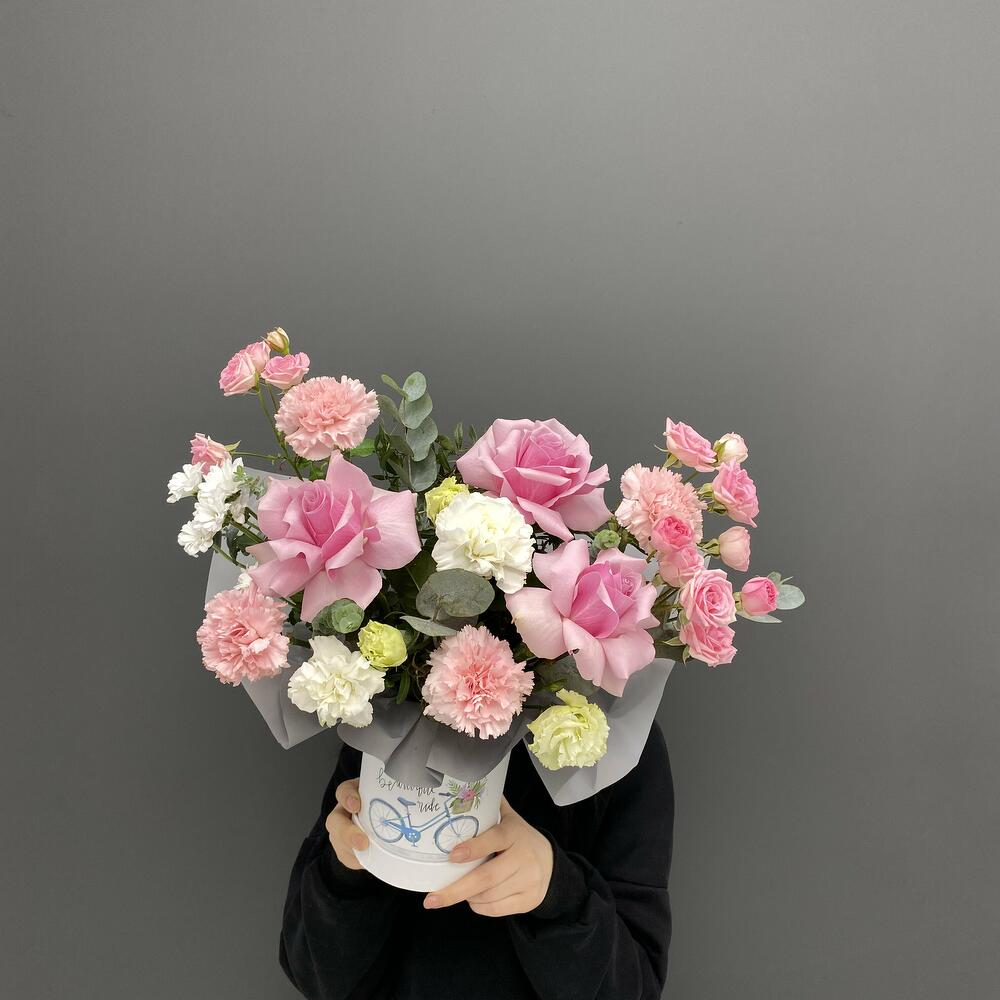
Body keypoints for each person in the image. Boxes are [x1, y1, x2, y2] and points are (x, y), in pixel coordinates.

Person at [280, 722, 673, 1000]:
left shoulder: (614, 742)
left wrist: (557, 892)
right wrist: (346, 870)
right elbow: (311, 972)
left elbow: (635, 987)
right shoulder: (389, 711)